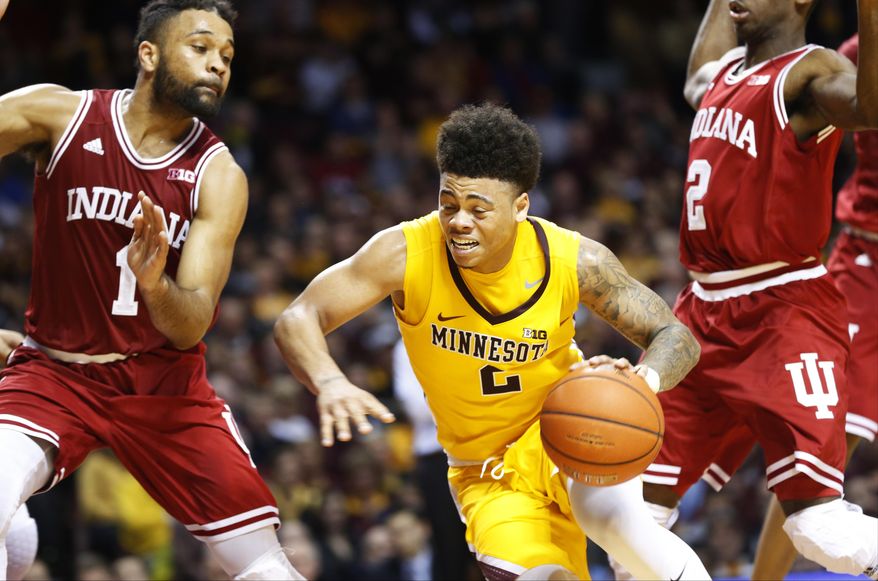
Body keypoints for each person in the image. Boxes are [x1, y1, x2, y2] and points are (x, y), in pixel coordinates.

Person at [274, 103, 711, 580]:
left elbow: (676, 336)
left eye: (479, 209)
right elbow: (298, 316)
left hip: (572, 433)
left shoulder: (573, 259)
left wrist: (641, 380)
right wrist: (329, 380)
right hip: (485, 471)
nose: (460, 221)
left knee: (627, 533)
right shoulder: (404, 253)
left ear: (521, 207)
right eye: (448, 204)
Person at [0, 1, 303, 579]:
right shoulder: (59, 116)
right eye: (201, 47)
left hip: (163, 383)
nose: (218, 65)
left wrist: (153, 281)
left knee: (266, 567)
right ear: (149, 54)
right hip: (55, 372)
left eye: (228, 56)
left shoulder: (219, 174)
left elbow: (190, 322)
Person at [634, 0, 878, 578]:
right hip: (698, 314)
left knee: (820, 528)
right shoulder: (721, 76)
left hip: (781, 309)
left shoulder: (810, 73)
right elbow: (697, 74)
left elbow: (869, 107)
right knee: (629, 518)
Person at [391, 339, 477, 581]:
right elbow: (417, 407)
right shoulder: (406, 344)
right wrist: (472, 403)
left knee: (494, 540)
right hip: (436, 456)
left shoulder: (473, 331)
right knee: (450, 546)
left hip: (484, 448)